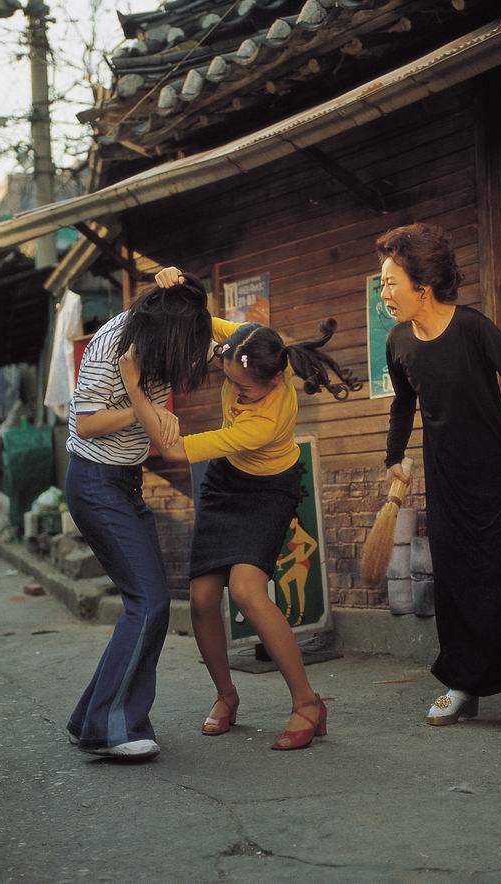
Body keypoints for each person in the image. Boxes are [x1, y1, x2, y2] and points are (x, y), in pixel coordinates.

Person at [118, 265, 361, 750]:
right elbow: (197, 318)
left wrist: (131, 387)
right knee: (204, 599)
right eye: (231, 382)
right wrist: (178, 283)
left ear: (274, 382)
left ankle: (307, 702)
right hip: (227, 482)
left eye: (246, 390)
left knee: (248, 592)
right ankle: (226, 696)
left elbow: (174, 450)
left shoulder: (266, 420)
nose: (239, 394)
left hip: (269, 490)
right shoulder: (246, 345)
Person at [378, 222, 501, 740]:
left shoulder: (472, 328)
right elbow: (404, 403)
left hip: (496, 477)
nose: (384, 293)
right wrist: (393, 457)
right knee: (454, 581)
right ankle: (462, 684)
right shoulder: (399, 340)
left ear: (421, 287)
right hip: (445, 478)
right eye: (382, 284)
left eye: (390, 283)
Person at [64, 275, 212, 760]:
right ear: (166, 329)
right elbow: (86, 422)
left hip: (126, 482)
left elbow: (162, 435)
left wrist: (183, 279)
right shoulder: (112, 344)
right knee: (147, 602)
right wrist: (136, 402)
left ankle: (93, 716)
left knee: (154, 603)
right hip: (94, 481)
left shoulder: (164, 342)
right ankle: (111, 730)